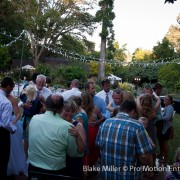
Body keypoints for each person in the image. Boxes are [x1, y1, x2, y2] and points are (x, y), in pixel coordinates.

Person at [28, 94, 83, 178]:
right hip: (55, 171)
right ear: (62, 108)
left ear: (46, 105)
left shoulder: (34, 119)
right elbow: (74, 153)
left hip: (33, 168)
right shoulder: (67, 127)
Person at [96, 100, 153, 179]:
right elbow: (144, 156)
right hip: (127, 175)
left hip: (106, 175)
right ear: (133, 112)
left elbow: (98, 144)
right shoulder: (137, 126)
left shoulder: (105, 123)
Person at [81, 91, 104, 177]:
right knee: (91, 151)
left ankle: (87, 170)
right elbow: (102, 118)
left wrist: (96, 122)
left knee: (90, 150)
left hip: (90, 131)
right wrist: (97, 122)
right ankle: (88, 169)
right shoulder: (82, 108)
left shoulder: (93, 108)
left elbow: (102, 118)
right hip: (90, 130)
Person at [61, 100, 86, 179]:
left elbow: (82, 149)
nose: (70, 113)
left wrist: (77, 136)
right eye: (67, 110)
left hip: (73, 162)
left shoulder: (78, 125)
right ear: (61, 110)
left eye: (72, 111)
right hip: (59, 161)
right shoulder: (57, 123)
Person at [7, 94, 27, 177]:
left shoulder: (12, 98)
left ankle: (12, 166)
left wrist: (12, 124)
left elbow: (18, 114)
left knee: (14, 147)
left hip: (12, 122)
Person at [0, 77, 16, 178]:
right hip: (2, 133)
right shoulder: (6, 102)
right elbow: (6, 124)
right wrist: (14, 129)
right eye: (12, 88)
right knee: (3, 157)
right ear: (9, 87)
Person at [157, 95, 174, 162]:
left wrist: (158, 117)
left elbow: (167, 118)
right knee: (161, 141)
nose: (165, 100)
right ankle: (161, 154)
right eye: (164, 99)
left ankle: (165, 159)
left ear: (170, 101)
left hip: (166, 128)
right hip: (162, 127)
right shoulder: (166, 107)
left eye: (167, 99)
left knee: (164, 142)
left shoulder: (170, 108)